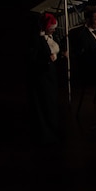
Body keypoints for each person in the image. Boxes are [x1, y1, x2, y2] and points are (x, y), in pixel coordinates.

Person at [31, 12, 66, 144]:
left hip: (49, 76)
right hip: (43, 76)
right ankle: (47, 133)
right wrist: (47, 59)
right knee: (46, 105)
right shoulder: (37, 38)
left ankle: (52, 129)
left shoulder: (45, 37)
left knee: (51, 103)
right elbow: (37, 56)